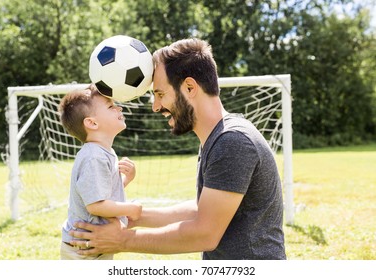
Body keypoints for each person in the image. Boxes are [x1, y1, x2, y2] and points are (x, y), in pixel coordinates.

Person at [69, 38, 286, 260]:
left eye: (160, 94)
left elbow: (205, 233)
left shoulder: (233, 141)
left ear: (190, 87)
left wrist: (124, 239)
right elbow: (203, 209)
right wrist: (136, 217)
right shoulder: (219, 137)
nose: (155, 107)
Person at [59, 84, 142, 260]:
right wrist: (130, 209)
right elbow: (95, 205)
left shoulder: (104, 152)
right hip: (83, 250)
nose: (119, 107)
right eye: (111, 106)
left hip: (95, 245)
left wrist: (126, 179)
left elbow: (101, 192)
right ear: (92, 123)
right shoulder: (94, 157)